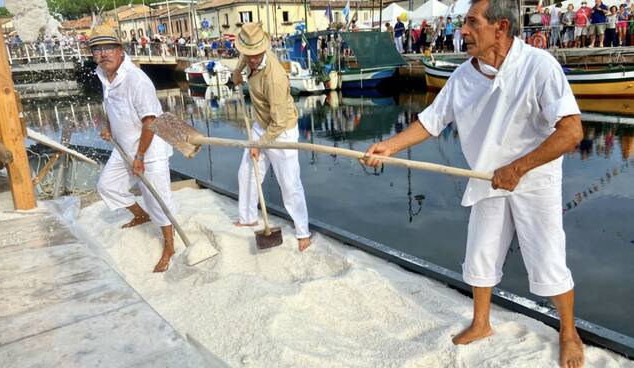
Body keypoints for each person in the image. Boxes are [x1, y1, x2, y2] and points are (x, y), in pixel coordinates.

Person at [362, 1, 585, 367]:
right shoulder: (464, 76)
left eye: (471, 23)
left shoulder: (538, 65)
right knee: (480, 252)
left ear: (500, 28)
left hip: (536, 179)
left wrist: (519, 167)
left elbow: (572, 132)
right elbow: (432, 121)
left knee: (548, 259)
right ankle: (481, 323)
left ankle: (569, 332)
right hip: (487, 176)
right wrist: (390, 145)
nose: (462, 31)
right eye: (464, 23)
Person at [90, 25, 177, 273]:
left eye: (108, 48)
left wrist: (140, 157)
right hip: (123, 147)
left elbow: (151, 121)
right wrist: (108, 126)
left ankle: (169, 246)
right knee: (107, 186)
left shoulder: (137, 79)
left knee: (158, 199)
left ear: (120, 50)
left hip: (149, 149)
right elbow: (111, 106)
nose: (103, 53)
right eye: (97, 49)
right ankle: (141, 215)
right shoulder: (102, 74)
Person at [231, 23, 312, 252]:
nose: (252, 59)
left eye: (256, 54)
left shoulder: (274, 78)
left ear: (263, 49)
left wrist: (259, 144)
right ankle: (247, 217)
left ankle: (302, 230)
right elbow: (244, 57)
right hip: (260, 124)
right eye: (248, 54)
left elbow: (278, 123)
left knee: (289, 184)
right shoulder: (249, 55)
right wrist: (238, 71)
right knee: (247, 172)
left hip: (282, 131)